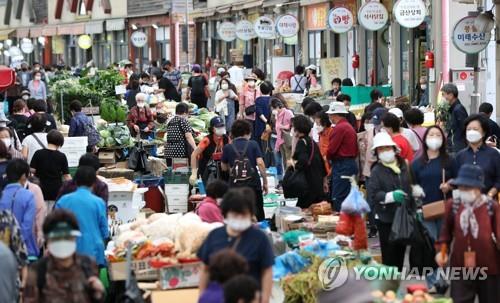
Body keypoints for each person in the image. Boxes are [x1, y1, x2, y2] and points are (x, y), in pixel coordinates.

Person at [436, 164, 500, 303]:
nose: (464, 190)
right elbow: (445, 234)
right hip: (460, 265)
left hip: (489, 266)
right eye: (462, 187)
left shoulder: (491, 206)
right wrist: (442, 252)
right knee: (459, 300)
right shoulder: (453, 205)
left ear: (479, 187)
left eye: (468, 187)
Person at [198, 188, 273, 303]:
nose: (239, 218)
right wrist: (202, 296)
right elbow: (205, 269)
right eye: (235, 214)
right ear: (226, 213)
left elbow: (267, 271)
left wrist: (265, 300)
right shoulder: (214, 236)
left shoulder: (259, 238)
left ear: (251, 214)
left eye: (243, 214)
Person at [23, 209, 105, 303]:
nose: (62, 243)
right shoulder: (37, 271)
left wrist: (98, 294)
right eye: (57, 238)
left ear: (75, 238)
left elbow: (96, 297)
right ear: (48, 240)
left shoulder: (87, 265)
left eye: (67, 237)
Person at [366, 132, 414, 270]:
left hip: (404, 216)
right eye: (381, 149)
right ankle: (389, 282)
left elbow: (411, 185)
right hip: (385, 217)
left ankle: (396, 277)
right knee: (389, 254)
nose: (385, 151)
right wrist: (391, 196)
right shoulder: (376, 170)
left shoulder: (404, 166)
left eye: (387, 148)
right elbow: (373, 194)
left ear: (393, 149)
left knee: (400, 251)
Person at [55, 166, 108, 266]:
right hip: (93, 252)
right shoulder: (98, 202)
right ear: (93, 183)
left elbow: (55, 226)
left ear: (75, 181)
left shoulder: (63, 201)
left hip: (68, 251)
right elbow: (104, 231)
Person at [221, 120, 268, 221]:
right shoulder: (253, 144)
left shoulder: (228, 147)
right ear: (248, 132)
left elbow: (223, 167)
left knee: (238, 213)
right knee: (257, 212)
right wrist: (265, 182)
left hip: (235, 186)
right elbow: (260, 163)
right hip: (253, 185)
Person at [450, 114, 500, 199]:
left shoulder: (494, 154)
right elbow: (455, 179)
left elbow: (498, 180)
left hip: (488, 203)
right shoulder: (460, 156)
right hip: (466, 205)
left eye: (475, 129)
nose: (471, 131)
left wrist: (489, 195)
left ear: (484, 132)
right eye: (468, 129)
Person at [0, 159, 38, 257]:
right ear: (23, 176)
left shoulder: (2, 195)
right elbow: (27, 226)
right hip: (26, 250)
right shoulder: (28, 195)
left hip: (3, 251)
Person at [327, 102, 359, 211]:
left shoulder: (340, 128)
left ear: (335, 115)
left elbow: (331, 149)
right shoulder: (347, 126)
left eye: (330, 115)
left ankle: (341, 223)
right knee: (347, 196)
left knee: (338, 197)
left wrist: (328, 160)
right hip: (349, 164)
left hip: (342, 165)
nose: (329, 117)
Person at [290, 115, 327, 208]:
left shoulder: (302, 143)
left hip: (308, 183)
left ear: (297, 128)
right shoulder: (312, 142)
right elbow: (321, 162)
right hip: (317, 182)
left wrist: (293, 164)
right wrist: (324, 181)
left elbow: (303, 161)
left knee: (305, 210)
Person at [31, 130, 71, 206]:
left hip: (40, 188)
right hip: (56, 190)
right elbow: (67, 176)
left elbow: (32, 171)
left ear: (48, 139)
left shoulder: (38, 153)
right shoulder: (62, 156)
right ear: (60, 142)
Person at [190, 116, 229, 186]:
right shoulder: (207, 140)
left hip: (222, 171)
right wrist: (194, 172)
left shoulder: (226, 138)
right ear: (212, 129)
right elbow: (194, 154)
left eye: (222, 126)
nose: (221, 128)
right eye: (218, 127)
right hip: (206, 171)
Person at [441, 83, 468, 154]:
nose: (442, 97)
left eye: (443, 94)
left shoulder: (458, 109)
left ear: (451, 95)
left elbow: (464, 128)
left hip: (457, 146)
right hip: (454, 145)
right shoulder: (453, 108)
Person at [271, 98, 294, 174]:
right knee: (284, 160)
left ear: (277, 107)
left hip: (286, 140)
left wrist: (283, 127)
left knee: (288, 160)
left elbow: (293, 124)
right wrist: (274, 117)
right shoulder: (276, 115)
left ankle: (290, 177)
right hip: (280, 140)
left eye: (273, 108)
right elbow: (274, 125)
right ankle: (286, 177)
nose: (273, 110)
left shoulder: (288, 112)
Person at [315, 110, 334, 177]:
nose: (317, 126)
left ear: (325, 123)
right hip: (323, 166)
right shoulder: (321, 134)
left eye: (318, 124)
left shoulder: (332, 132)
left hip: (330, 166)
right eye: (316, 124)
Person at [254, 81, 272, 146]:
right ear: (270, 90)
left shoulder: (258, 100)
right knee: (270, 143)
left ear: (261, 90)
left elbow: (260, 113)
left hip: (260, 125)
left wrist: (266, 122)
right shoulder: (273, 99)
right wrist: (269, 122)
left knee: (261, 143)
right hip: (271, 125)